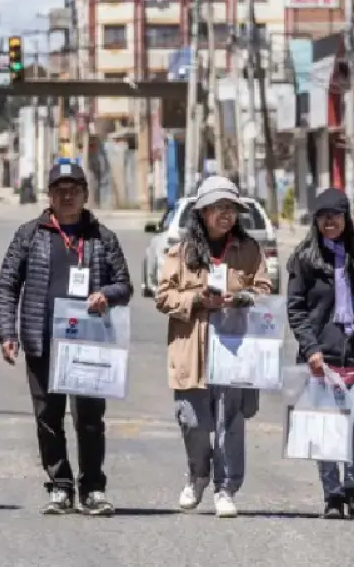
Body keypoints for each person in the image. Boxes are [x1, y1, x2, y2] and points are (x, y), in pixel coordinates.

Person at [0, 160, 132, 516]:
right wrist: (7, 332)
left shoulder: (102, 237)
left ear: (85, 195)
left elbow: (125, 284)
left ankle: (92, 489)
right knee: (47, 418)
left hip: (88, 344)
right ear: (49, 196)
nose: (67, 196)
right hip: (43, 343)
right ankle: (60, 485)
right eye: (59, 190)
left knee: (89, 419)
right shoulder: (30, 234)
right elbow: (7, 285)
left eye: (74, 191)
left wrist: (107, 295)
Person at [155, 176, 273, 519]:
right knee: (192, 422)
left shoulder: (249, 250)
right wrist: (195, 298)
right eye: (218, 208)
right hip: (191, 350)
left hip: (235, 349)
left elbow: (264, 289)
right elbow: (163, 296)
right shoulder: (181, 251)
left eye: (231, 209)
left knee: (230, 422)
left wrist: (243, 297)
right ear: (203, 212)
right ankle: (198, 475)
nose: (225, 215)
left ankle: (225, 487)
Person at [285, 188, 354, 519]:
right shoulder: (304, 258)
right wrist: (310, 348)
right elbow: (296, 308)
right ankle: (331, 494)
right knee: (325, 426)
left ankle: (353, 486)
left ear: (347, 218)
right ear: (316, 220)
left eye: (336, 215)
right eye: (323, 216)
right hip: (320, 358)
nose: (330, 222)